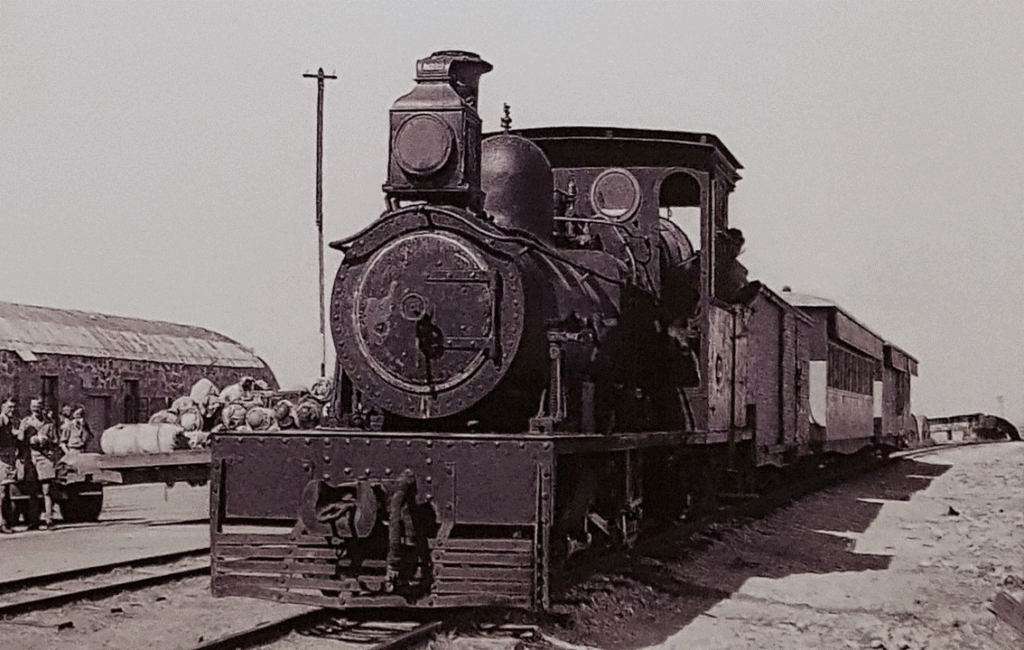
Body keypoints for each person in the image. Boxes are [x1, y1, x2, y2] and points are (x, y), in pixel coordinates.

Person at [17, 398, 54, 530]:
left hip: (44, 458)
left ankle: (49, 519)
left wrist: (46, 440)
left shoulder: (49, 422)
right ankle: (34, 521)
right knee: (32, 492)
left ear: (42, 407)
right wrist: (27, 436)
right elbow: (20, 440)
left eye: (38, 406)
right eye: (33, 406)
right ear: (30, 407)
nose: (35, 408)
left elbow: (56, 440)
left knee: (47, 490)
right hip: (30, 457)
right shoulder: (26, 422)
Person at [0, 399, 17, 533]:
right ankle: (2, 523)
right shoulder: (1, 420)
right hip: (3, 459)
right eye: (9, 408)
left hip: (9, 458)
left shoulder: (10, 422)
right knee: (2, 492)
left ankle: (6, 521)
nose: (12, 410)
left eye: (13, 408)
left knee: (6, 492)